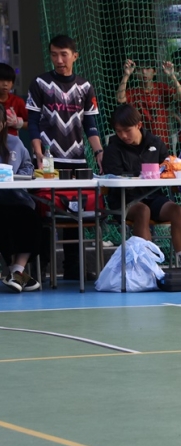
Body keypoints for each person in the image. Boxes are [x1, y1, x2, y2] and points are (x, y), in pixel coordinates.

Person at [26, 34, 103, 281]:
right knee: (43, 213)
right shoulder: (40, 83)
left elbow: (91, 125)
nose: (59, 60)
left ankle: (73, 268)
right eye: (54, 55)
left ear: (75, 56)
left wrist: (99, 153)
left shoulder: (85, 86)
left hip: (78, 161)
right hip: (48, 161)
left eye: (64, 55)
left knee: (76, 212)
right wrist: (38, 153)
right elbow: (33, 122)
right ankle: (40, 269)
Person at [102, 104, 181, 269]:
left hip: (153, 196)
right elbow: (114, 179)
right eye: (118, 131)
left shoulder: (155, 142)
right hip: (124, 200)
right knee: (143, 211)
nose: (123, 135)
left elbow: (168, 166)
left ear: (139, 125)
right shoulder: (112, 149)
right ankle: (148, 268)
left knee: (176, 210)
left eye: (127, 130)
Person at [0, 107, 44, 293]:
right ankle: (16, 274)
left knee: (31, 218)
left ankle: (17, 270)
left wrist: (16, 176)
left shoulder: (15, 142)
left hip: (15, 198)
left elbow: (28, 166)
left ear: (3, 124)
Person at [116, 58, 181, 146]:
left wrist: (172, 76)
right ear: (135, 73)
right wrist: (126, 75)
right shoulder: (133, 92)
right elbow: (120, 99)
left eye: (148, 68)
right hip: (142, 142)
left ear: (155, 71)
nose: (144, 72)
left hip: (162, 140)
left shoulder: (161, 88)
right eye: (140, 69)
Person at [0, 63, 27, 137]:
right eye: (1, 80)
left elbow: (31, 124)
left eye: (9, 81)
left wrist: (18, 123)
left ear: (12, 83)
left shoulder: (18, 101)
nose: (5, 84)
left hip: (12, 140)